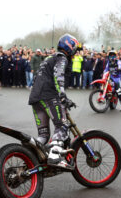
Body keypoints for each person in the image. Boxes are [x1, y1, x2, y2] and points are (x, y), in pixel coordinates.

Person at [29, 34, 79, 169]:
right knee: (62, 126)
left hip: (36, 98)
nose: (75, 53)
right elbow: (59, 76)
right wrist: (62, 96)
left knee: (43, 135)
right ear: (69, 47)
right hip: (48, 96)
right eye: (75, 49)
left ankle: (31, 157)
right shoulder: (61, 58)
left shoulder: (49, 58)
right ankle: (54, 156)